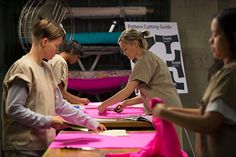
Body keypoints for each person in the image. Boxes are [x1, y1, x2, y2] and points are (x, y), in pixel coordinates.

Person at [1, 19, 106, 157]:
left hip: (42, 144)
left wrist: (90, 122)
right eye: (56, 46)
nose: (57, 50)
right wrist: (49, 121)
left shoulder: (46, 68)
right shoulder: (23, 67)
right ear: (44, 42)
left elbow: (60, 104)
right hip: (22, 147)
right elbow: (14, 108)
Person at [152, 8, 236, 157]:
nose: (210, 40)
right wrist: (169, 110)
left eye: (216, 35)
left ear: (233, 37)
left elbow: (209, 123)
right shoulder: (224, 71)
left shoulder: (232, 73)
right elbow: (207, 112)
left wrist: (165, 112)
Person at [97, 28, 183, 143]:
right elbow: (151, 92)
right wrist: (126, 103)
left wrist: (104, 105)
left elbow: (127, 91)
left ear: (135, 44)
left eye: (125, 49)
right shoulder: (148, 57)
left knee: (170, 149)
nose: (124, 53)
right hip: (168, 109)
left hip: (166, 112)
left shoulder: (144, 61)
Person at [48, 40, 90, 105]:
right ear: (72, 51)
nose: (76, 60)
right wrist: (80, 100)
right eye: (77, 57)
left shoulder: (55, 59)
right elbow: (59, 91)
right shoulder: (60, 62)